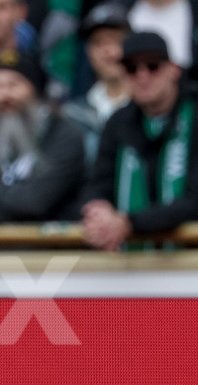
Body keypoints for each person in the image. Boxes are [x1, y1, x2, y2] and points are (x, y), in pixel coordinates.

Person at [80, 31, 198, 250]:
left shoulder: (194, 114)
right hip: (132, 267)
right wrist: (98, 209)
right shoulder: (118, 122)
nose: (142, 76)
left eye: (152, 66)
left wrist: (129, 223)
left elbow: (195, 201)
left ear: (173, 70)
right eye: (132, 68)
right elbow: (97, 183)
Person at [0, 48, 85, 223]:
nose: (4, 95)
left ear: (36, 89)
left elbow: (35, 203)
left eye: (13, 85)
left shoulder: (64, 135)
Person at [61, 2, 131, 165]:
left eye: (115, 40)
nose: (107, 50)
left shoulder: (149, 107)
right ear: (88, 52)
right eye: (98, 43)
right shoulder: (73, 115)